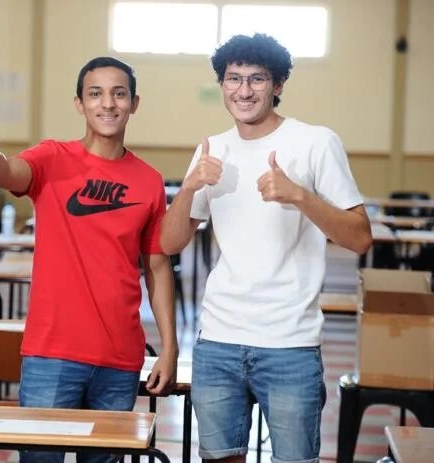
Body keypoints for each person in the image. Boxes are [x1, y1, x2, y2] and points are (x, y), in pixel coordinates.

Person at [160, 34, 372, 463]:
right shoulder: (212, 149)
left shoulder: (315, 142)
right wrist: (189, 188)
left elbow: (360, 237)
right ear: (222, 85)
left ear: (278, 84)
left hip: (290, 342)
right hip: (218, 339)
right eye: (233, 78)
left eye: (257, 79)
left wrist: (300, 196)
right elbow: (170, 242)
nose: (244, 90)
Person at [0, 56, 178, 463]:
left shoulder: (149, 180)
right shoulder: (52, 158)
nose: (108, 103)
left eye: (119, 94)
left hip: (120, 358)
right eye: (95, 93)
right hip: (53, 354)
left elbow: (157, 267)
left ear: (134, 103)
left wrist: (169, 348)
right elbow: (4, 174)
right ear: (80, 103)